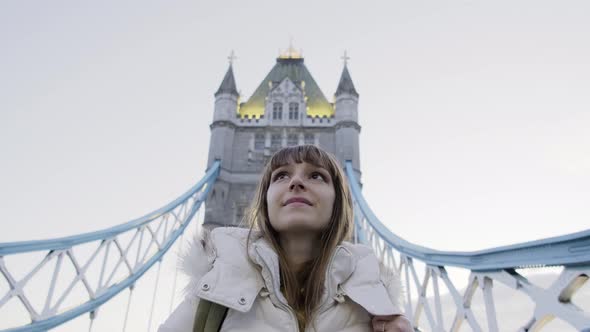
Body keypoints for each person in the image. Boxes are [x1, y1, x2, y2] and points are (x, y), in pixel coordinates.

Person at [159, 145, 412, 332]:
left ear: (339, 203)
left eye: (316, 176)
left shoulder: (376, 306)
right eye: (281, 175)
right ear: (265, 200)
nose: (296, 182)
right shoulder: (214, 293)